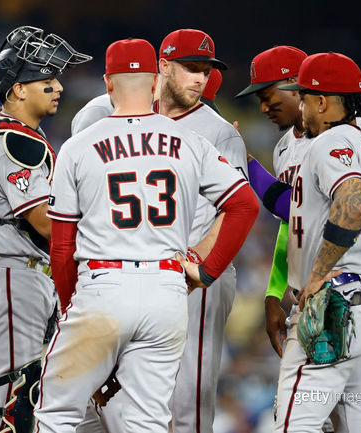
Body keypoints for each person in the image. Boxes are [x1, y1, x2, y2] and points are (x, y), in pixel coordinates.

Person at [34, 38, 258, 433]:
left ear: (107, 84)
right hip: (167, 291)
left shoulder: (80, 142)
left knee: (57, 413)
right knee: (148, 421)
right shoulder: (193, 141)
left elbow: (63, 245)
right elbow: (246, 206)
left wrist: (70, 307)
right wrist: (206, 272)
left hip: (104, 285)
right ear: (157, 79)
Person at [235, 45, 361, 360]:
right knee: (344, 407)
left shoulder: (353, 126)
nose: (263, 108)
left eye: (267, 96)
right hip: (313, 290)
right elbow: (291, 220)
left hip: (351, 287)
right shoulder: (284, 149)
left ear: (297, 86)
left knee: (301, 403)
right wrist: (272, 295)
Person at [0, 26, 91, 433]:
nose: (58, 87)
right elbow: (46, 223)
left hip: (9, 275)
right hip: (10, 276)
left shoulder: (4, 131)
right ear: (17, 89)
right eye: (46, 80)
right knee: (13, 406)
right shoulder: (18, 143)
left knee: (25, 401)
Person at [271, 52, 361, 432]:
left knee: (293, 425)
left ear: (321, 101)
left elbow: (353, 198)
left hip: (338, 302)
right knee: (355, 426)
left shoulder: (331, 142)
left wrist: (317, 275)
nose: (298, 106)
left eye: (303, 98)